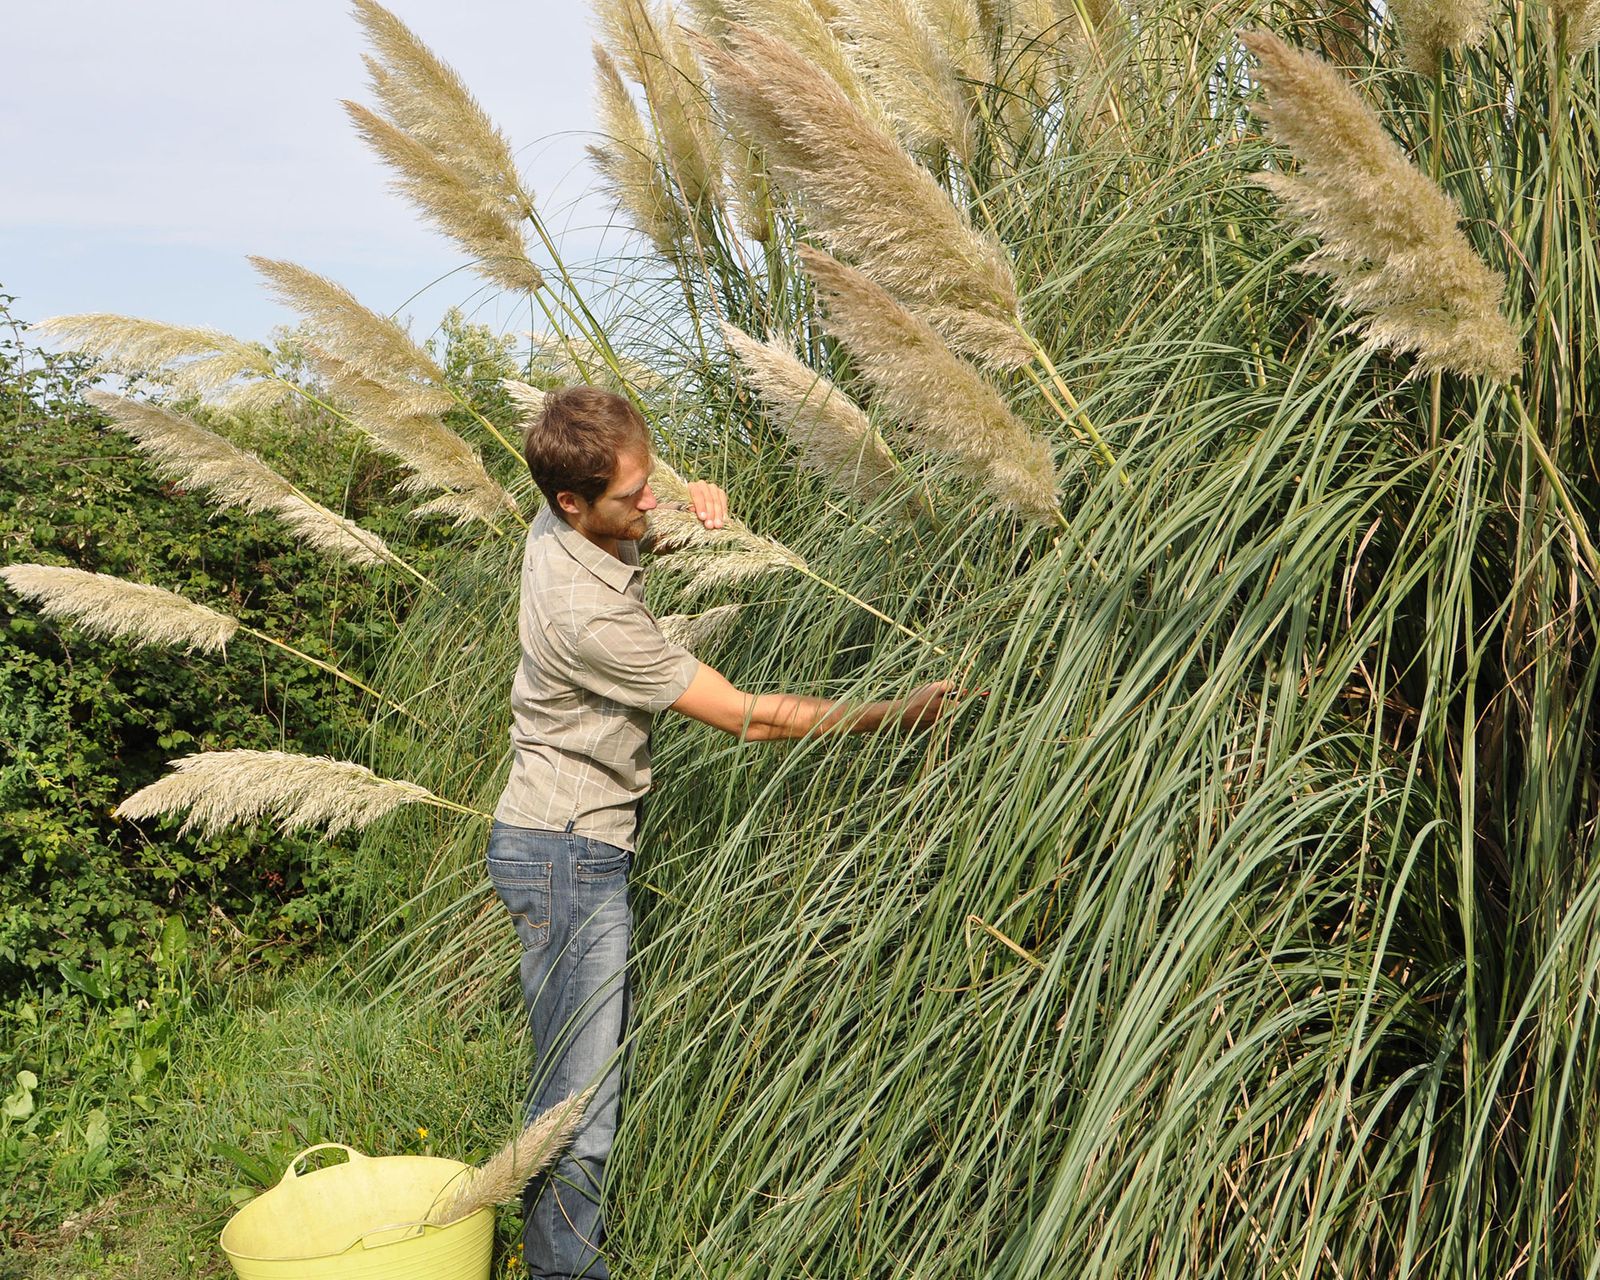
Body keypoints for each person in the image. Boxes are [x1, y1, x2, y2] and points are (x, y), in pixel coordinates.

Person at [489, 385, 955, 1279]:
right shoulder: (588, 619)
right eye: (632, 495)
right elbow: (749, 718)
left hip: (560, 847)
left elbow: (637, 533)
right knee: (577, 1105)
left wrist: (697, 510)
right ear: (570, 503)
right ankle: (565, 1272)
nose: (648, 502)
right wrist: (893, 713)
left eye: (649, 477)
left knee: (577, 1088)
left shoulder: (563, 522)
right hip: (566, 858)